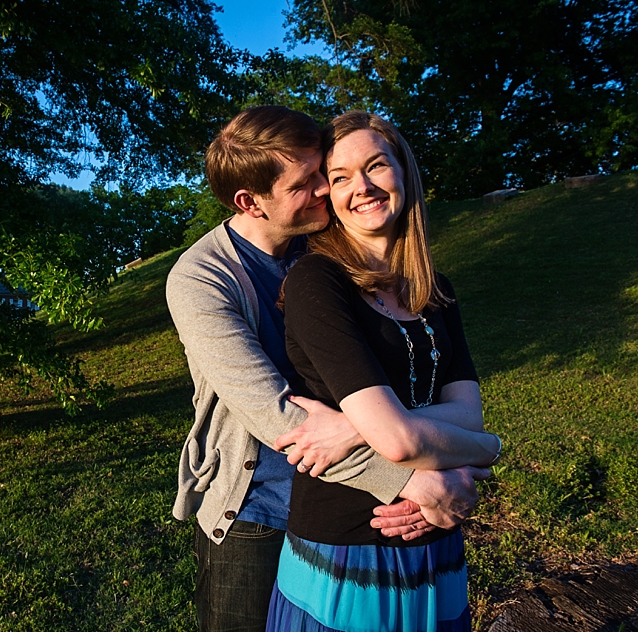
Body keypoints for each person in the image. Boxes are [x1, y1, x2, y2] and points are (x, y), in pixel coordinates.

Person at [166, 105, 489, 632]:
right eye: (307, 182)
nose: (325, 190)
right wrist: (412, 478)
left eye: (324, 174)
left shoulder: (326, 247)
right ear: (251, 202)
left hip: (352, 500)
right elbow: (277, 419)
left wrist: (415, 453)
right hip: (259, 506)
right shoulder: (201, 280)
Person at [267, 111, 502, 632]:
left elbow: (469, 412)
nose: (363, 187)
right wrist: (484, 451)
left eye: (377, 165)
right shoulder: (316, 282)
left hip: (436, 534)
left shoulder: (434, 288)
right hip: (350, 548)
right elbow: (399, 441)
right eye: (342, 176)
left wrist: (362, 426)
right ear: (326, 192)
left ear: (404, 171)